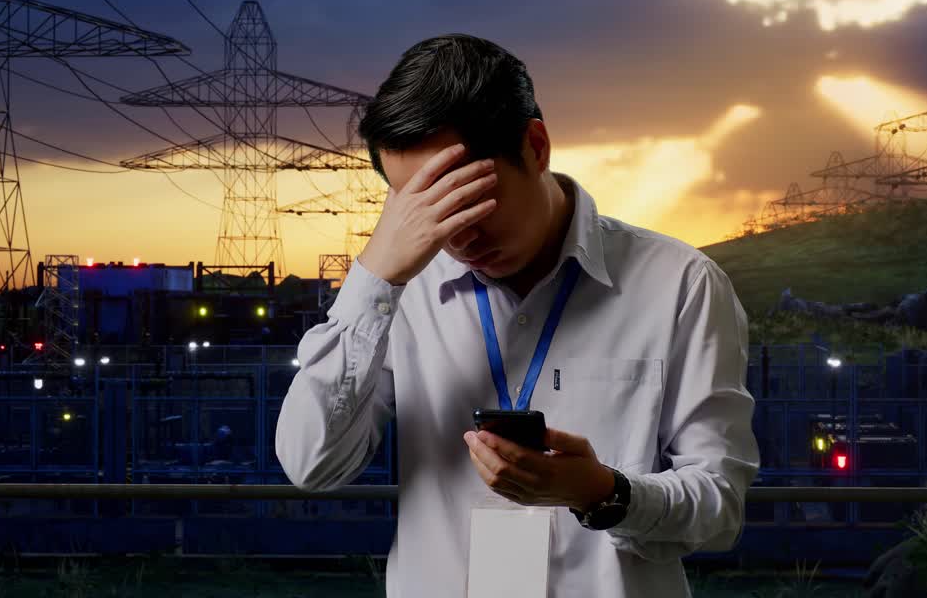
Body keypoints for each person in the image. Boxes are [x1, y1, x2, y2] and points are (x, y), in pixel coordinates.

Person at [275, 33, 759, 597]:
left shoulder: (680, 285)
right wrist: (375, 277)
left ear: (536, 145)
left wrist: (605, 493)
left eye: (465, 198)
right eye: (424, 206)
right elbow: (311, 464)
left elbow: (721, 505)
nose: (456, 234)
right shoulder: (395, 298)